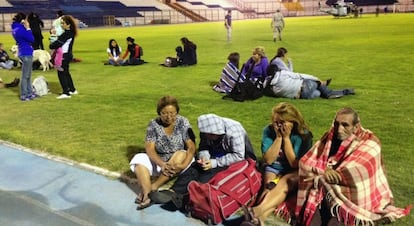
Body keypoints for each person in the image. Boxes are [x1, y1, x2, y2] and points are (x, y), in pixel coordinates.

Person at [293, 107, 411, 226]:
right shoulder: (329, 138)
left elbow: (360, 172)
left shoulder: (370, 142)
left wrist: (332, 175)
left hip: (352, 194)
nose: (339, 129)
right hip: (324, 191)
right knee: (311, 220)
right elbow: (306, 161)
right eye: (336, 124)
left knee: (336, 219)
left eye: (345, 125)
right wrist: (325, 170)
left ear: (355, 127)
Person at [154, 113, 255, 209]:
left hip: (236, 160)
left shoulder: (234, 132)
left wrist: (214, 163)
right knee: (195, 167)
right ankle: (174, 192)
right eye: (210, 135)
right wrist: (204, 158)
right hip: (215, 155)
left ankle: (186, 198)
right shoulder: (205, 130)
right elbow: (203, 146)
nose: (213, 136)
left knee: (209, 174)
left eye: (215, 134)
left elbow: (238, 156)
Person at [241, 102, 312, 226]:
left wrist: (286, 138)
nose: (278, 125)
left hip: (294, 170)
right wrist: (279, 138)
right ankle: (259, 220)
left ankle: (257, 213)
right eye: (275, 122)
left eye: (282, 122)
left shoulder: (303, 135)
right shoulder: (268, 131)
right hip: (274, 167)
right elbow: (268, 160)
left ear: (293, 122)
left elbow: (294, 163)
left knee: (287, 181)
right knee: (269, 188)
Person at [129, 96, 196, 209]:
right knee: (138, 159)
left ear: (177, 112)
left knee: (180, 154)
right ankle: (147, 193)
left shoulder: (183, 122)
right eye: (164, 113)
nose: (169, 117)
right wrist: (162, 164)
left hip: (179, 161)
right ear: (159, 113)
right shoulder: (153, 124)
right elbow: (149, 148)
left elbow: (191, 147)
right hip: (161, 160)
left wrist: (183, 165)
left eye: (172, 113)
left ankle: (154, 186)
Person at [266, 64, 355, 99]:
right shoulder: (282, 73)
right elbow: (300, 75)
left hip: (302, 96)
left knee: (318, 93)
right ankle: (332, 91)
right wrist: (317, 79)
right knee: (316, 83)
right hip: (305, 87)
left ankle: (326, 91)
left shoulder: (272, 88)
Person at [49, 15, 78, 99]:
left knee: (61, 73)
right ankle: (72, 89)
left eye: (63, 23)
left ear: (68, 25)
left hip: (63, 56)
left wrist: (52, 39)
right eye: (61, 23)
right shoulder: (70, 33)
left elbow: (56, 44)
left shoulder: (66, 33)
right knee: (66, 73)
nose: (62, 25)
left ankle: (66, 92)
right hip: (68, 55)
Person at [11, 12, 37, 101]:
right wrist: (28, 28)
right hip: (26, 53)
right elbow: (32, 39)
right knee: (26, 76)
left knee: (28, 75)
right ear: (22, 20)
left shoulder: (15, 28)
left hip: (23, 52)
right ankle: (24, 94)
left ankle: (29, 93)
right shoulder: (21, 29)